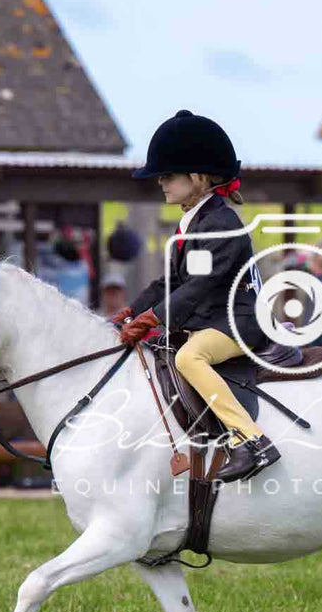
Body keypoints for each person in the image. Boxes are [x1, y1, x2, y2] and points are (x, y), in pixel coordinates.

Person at [116, 109, 279, 483]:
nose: (160, 182)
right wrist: (129, 312)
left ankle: (251, 441)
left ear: (199, 177)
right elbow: (170, 283)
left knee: (190, 357)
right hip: (214, 319)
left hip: (240, 322)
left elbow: (199, 286)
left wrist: (150, 320)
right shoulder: (193, 221)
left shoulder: (221, 223)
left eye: (168, 175)